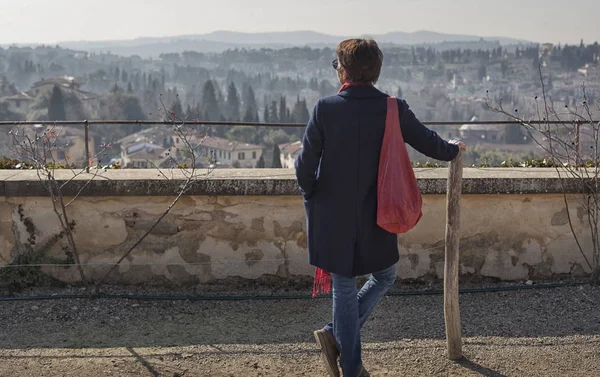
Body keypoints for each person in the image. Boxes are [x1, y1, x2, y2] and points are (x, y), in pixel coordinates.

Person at [295, 39, 466, 377]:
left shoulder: (325, 108)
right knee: (384, 274)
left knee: (344, 283)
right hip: (378, 211)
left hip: (331, 212)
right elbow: (428, 142)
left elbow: (305, 166)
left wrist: (313, 195)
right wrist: (453, 149)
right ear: (375, 71)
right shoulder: (392, 108)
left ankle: (339, 342)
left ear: (343, 70)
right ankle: (348, 360)